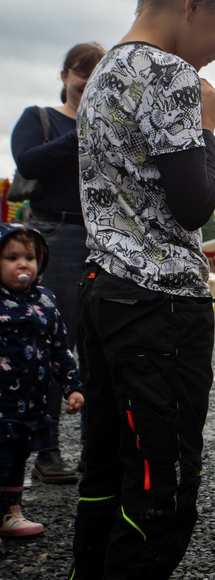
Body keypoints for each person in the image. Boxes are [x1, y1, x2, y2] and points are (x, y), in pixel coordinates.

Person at [71, 0, 215, 579]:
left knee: (104, 473)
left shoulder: (101, 76)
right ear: (194, 2)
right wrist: (206, 129)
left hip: (102, 293)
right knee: (163, 491)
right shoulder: (175, 76)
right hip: (161, 307)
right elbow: (193, 203)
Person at [9, 41, 105, 484]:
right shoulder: (39, 118)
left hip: (100, 236)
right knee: (50, 344)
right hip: (53, 236)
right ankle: (47, 453)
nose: (86, 82)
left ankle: (95, 450)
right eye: (81, 72)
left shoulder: (108, 126)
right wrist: (82, 134)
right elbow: (26, 160)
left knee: (99, 346)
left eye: (96, 74)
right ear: (65, 76)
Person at [0, 225, 84, 540]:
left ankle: (10, 512)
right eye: (12, 257)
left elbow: (60, 349)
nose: (23, 265)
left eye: (30, 258)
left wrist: (73, 386)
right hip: (1, 404)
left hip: (30, 404)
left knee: (17, 459)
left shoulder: (46, 302)